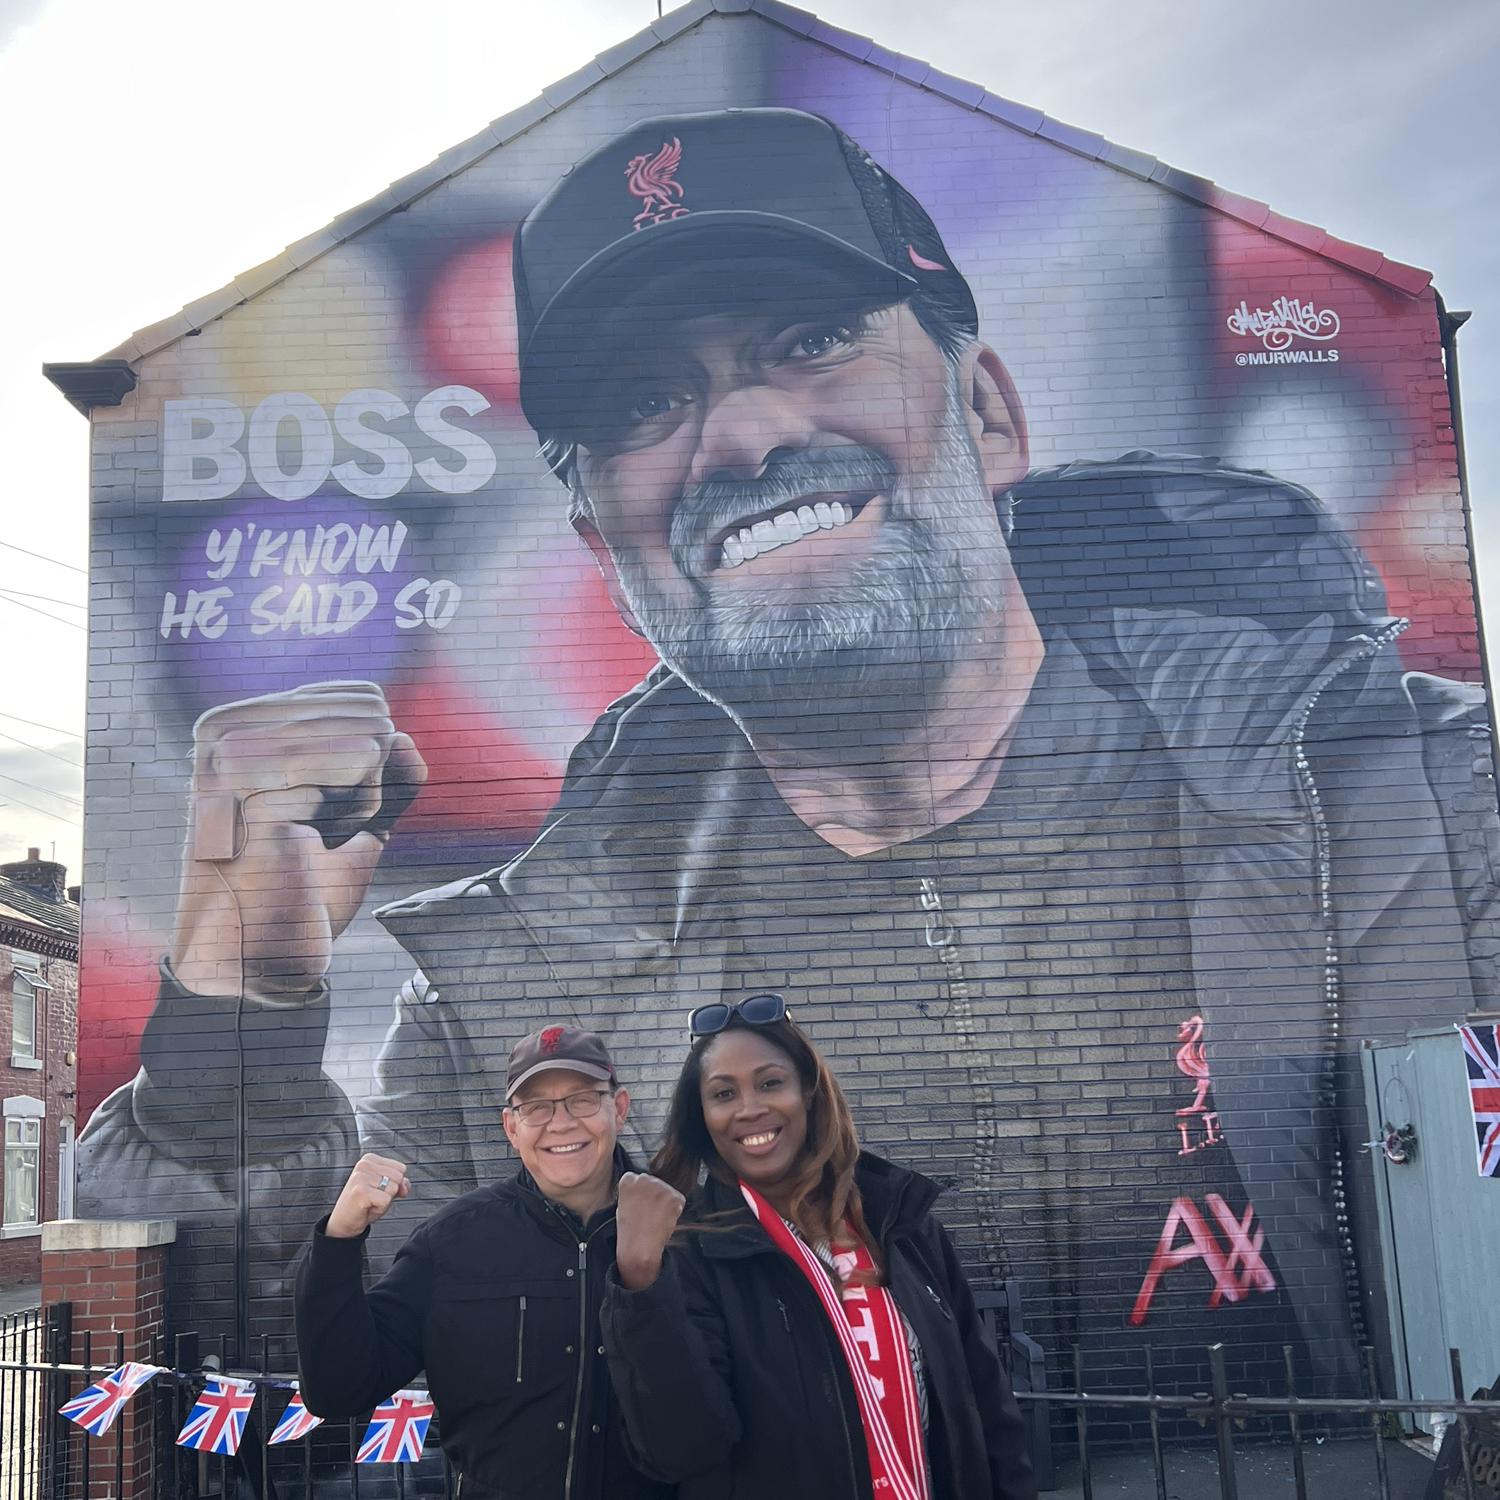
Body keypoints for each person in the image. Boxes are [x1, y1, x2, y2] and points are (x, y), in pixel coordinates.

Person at [80, 107, 1499, 1381]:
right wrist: (232, 1035)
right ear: (602, 548)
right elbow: (322, 1367)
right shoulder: (514, 988)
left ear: (989, 416)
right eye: (647, 405)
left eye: (811, 340)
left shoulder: (1411, 802)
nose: (744, 437)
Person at [603, 995, 1037, 1500]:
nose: (750, 1108)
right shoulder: (692, 1254)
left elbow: (985, 1398)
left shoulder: (901, 1222)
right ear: (702, 1116)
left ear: (808, 1091)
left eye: (770, 1083)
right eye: (723, 1094)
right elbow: (682, 1448)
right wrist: (637, 1282)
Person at [294, 1024, 671, 1500]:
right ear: (511, 1127)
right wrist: (338, 1240)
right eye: (537, 1107)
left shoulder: (683, 1229)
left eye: (582, 1099)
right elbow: (338, 1389)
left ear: (618, 1108)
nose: (561, 1123)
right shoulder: (452, 1242)